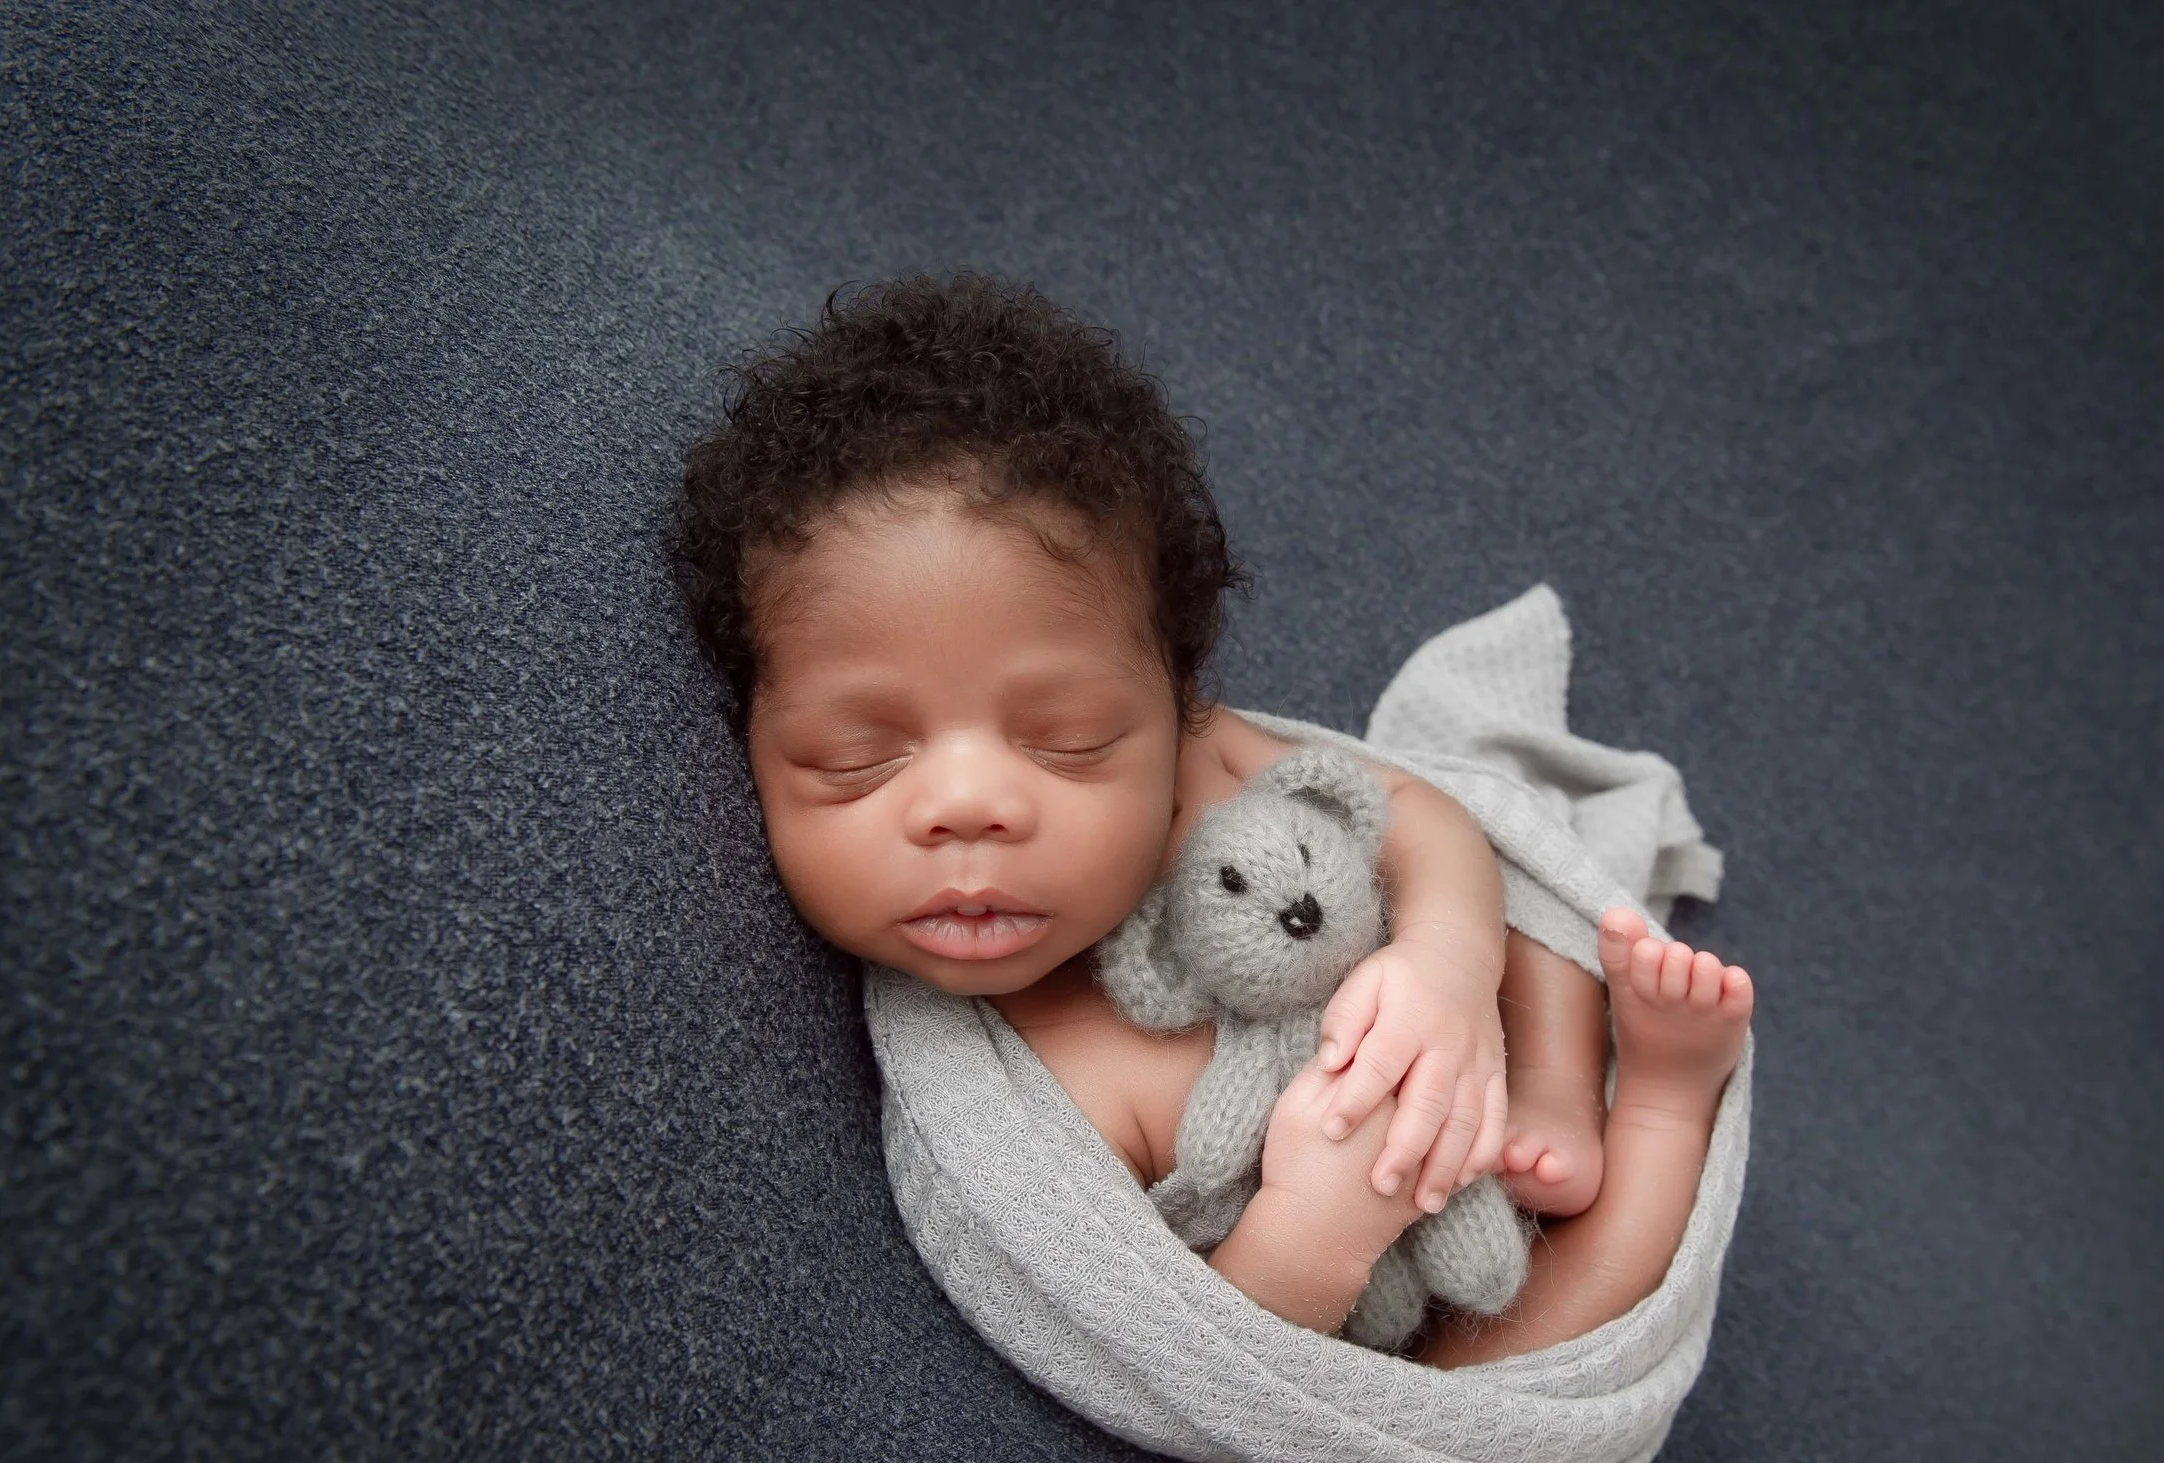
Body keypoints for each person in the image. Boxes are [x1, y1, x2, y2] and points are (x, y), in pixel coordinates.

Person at [668, 272, 1752, 1365]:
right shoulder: (1034, 1118)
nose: (968, 809)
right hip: (1400, 1302)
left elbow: (1420, 813)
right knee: (1536, 1349)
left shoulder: (1208, 760)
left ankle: (1585, 1091)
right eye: (855, 759)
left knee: (1517, 898)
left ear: (1172, 707)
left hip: (1479, 1057)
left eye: (1073, 740)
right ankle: (1664, 1105)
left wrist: (1448, 965)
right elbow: (1192, 1360)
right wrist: (1315, 1233)